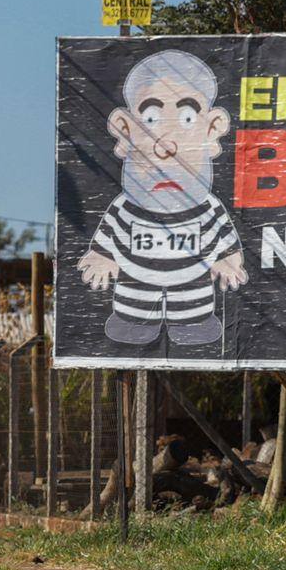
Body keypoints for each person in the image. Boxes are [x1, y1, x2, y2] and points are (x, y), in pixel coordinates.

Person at [77, 48, 245, 347]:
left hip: (193, 282)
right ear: (125, 130)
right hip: (136, 282)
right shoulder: (124, 207)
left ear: (212, 129)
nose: (165, 145)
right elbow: (106, 239)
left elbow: (227, 242)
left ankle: (194, 322)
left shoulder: (209, 208)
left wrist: (227, 262)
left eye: (187, 117)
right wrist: (101, 258)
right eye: (151, 118)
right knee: (133, 309)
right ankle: (132, 321)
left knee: (194, 313)